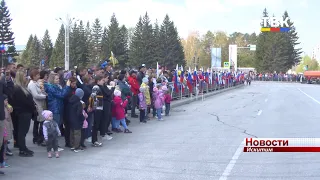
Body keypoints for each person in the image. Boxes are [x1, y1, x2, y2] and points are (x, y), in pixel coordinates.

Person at [11, 70, 37, 157]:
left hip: (26, 112)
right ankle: (22, 149)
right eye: (25, 76)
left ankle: (24, 147)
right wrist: (32, 106)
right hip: (22, 113)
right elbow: (23, 102)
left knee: (23, 132)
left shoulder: (22, 87)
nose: (26, 78)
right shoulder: (17, 89)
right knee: (22, 132)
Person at [28, 68, 47, 146]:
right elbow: (35, 95)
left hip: (39, 105)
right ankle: (38, 139)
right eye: (38, 75)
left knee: (38, 122)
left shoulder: (36, 83)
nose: (39, 76)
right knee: (40, 122)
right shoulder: (32, 84)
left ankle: (37, 138)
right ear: (34, 76)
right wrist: (44, 96)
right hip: (37, 105)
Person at [68, 88, 85, 152]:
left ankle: (72, 145)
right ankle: (77, 146)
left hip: (71, 119)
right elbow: (79, 113)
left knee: (72, 132)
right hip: (77, 120)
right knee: (77, 133)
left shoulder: (70, 100)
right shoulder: (79, 103)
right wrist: (83, 118)